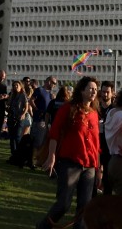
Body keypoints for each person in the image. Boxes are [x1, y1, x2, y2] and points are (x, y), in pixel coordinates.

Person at [37, 76, 101, 229]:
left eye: (95, 89)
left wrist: (99, 168)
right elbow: (55, 133)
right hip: (70, 162)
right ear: (82, 90)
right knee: (64, 203)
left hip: (89, 166)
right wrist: (52, 156)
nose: (93, 91)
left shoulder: (94, 113)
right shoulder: (68, 108)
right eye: (90, 88)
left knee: (84, 207)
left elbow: (96, 143)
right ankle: (44, 226)